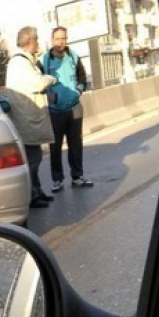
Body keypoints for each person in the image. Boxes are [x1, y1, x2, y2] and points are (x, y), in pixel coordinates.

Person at [5, 26, 57, 209]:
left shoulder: (23, 61)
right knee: (32, 160)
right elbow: (37, 82)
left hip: (26, 118)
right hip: (26, 119)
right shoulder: (20, 62)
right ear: (31, 42)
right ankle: (32, 195)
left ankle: (37, 191)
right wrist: (51, 79)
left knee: (34, 158)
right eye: (36, 40)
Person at [41, 26, 93, 192]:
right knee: (55, 146)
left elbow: (83, 77)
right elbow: (37, 81)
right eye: (57, 39)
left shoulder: (73, 56)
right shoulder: (44, 60)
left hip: (74, 107)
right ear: (52, 40)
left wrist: (78, 91)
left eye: (63, 38)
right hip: (55, 110)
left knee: (76, 143)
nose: (60, 42)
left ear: (67, 39)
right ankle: (57, 179)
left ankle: (77, 176)